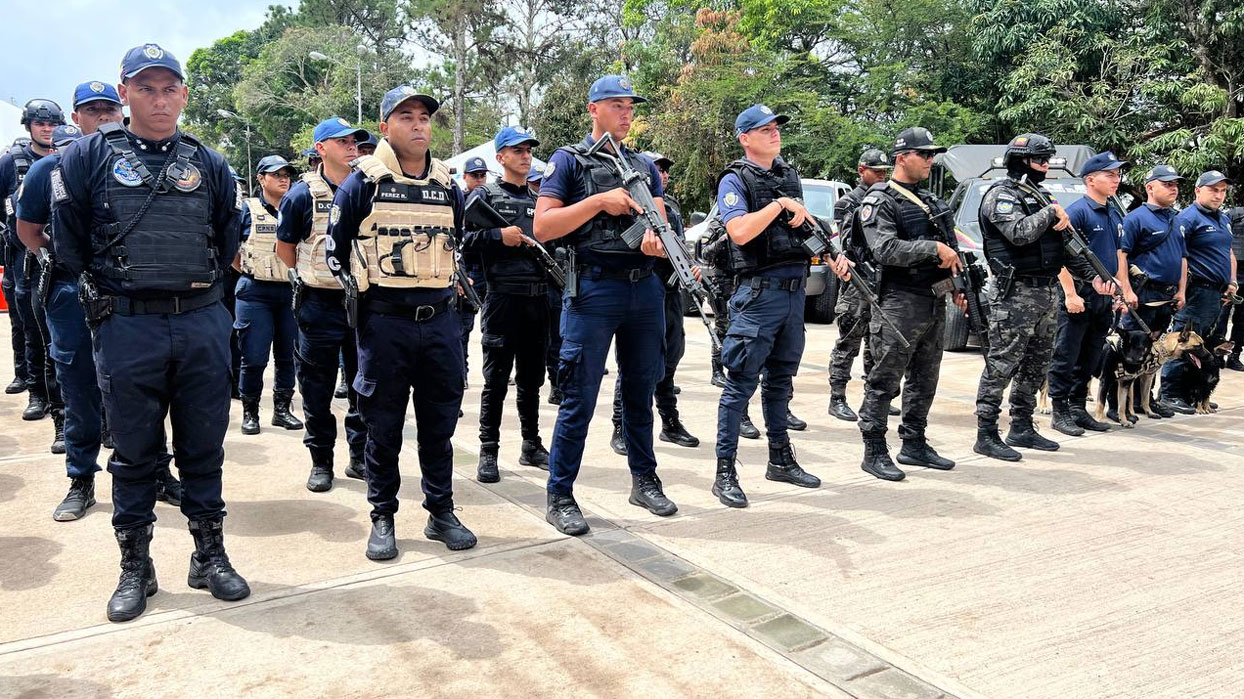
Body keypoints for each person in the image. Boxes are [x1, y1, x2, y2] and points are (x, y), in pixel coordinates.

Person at [52, 44, 249, 622]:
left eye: (169, 89)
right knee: (135, 454)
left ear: (184, 95)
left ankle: (208, 555)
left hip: (201, 322)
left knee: (204, 447)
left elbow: (227, 236)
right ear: (124, 94)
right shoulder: (85, 157)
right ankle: (136, 565)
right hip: (127, 326)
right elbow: (67, 241)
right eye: (145, 88)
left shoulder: (209, 162)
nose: (159, 100)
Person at [327, 85, 477, 558]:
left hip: (440, 325)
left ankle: (441, 512)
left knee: (439, 425)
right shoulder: (362, 183)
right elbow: (335, 250)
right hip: (385, 324)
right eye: (406, 116)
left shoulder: (448, 184)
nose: (418, 125)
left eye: (424, 118)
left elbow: (459, 243)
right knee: (384, 426)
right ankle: (383, 516)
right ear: (386, 124)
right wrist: (362, 293)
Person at [534, 75, 676, 534]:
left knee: (641, 389)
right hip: (593, 289)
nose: (626, 111)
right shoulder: (568, 162)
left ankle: (644, 479)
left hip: (644, 289)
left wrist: (659, 241)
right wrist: (598, 201)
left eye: (630, 105)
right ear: (593, 109)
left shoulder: (644, 165)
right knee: (579, 395)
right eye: (616, 104)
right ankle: (560, 495)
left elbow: (660, 220)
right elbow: (544, 227)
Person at [710, 104, 822, 508]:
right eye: (764, 129)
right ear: (745, 137)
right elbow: (738, 231)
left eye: (776, 127)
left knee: (781, 383)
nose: (774, 133)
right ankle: (725, 471)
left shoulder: (787, 175)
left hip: (794, 293)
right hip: (758, 294)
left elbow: (802, 228)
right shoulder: (734, 179)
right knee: (739, 383)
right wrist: (779, 206)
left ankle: (780, 459)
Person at [972, 133, 1099, 462]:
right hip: (1014, 293)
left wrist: (1097, 277)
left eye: (1047, 160)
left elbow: (1066, 250)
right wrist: (1051, 213)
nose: (1045, 166)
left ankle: (1022, 426)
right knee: (1002, 365)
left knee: (1036, 365)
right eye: (1040, 160)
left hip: (1046, 292)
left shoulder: (1041, 196)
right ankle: (986, 433)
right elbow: (1018, 232)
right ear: (1020, 161)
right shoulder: (1000, 195)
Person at [852, 127, 963, 481]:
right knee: (884, 379)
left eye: (933, 155)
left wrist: (958, 285)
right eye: (924, 155)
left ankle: (914, 443)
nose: (931, 161)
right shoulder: (880, 200)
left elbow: (953, 251)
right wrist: (932, 250)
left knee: (925, 378)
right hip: (898, 302)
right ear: (902, 157)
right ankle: (874, 449)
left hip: (933, 299)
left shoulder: (931, 202)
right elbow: (883, 249)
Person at [276, 117, 369, 492]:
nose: (351, 147)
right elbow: (286, 251)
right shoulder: (302, 195)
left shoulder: (368, 188)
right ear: (321, 149)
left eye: (355, 142)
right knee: (317, 388)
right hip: (319, 304)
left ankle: (359, 456)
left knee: (364, 387)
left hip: (362, 304)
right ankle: (322, 461)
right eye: (342, 141)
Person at [464, 126, 552, 482]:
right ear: (500, 157)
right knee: (496, 379)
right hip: (502, 298)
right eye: (517, 150)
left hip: (538, 298)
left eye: (528, 149)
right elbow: (463, 241)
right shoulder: (484, 196)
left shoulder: (540, 200)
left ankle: (531, 444)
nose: (525, 155)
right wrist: (497, 236)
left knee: (532, 378)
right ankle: (489, 450)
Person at [607, 151, 698, 455]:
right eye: (657, 169)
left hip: (670, 290)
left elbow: (679, 244)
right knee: (636, 363)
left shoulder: (670, 206)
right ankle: (620, 426)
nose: (663, 174)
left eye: (665, 170)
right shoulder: (630, 204)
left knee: (671, 357)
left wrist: (690, 265)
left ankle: (669, 422)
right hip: (645, 287)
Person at [1046, 152, 1126, 435]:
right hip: (1079, 295)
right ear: (1091, 180)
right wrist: (1069, 293)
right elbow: (1060, 257)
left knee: (1091, 356)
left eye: (1118, 175)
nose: (1116, 180)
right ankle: (1060, 411)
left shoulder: (1113, 211)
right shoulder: (1077, 212)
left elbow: (1118, 255)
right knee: (1066, 355)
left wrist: (1120, 290)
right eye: (1110, 175)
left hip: (1103, 296)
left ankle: (1079, 408)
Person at [234, 155, 304, 435]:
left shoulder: (297, 206)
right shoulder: (248, 209)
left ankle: (282, 410)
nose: (284, 178)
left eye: (287, 174)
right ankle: (250, 412)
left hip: (289, 292)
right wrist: (250, 270)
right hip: (255, 292)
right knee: (253, 357)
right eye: (276, 174)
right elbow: (231, 250)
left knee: (288, 356)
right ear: (261, 179)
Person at [2, 99, 63, 419]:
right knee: (30, 327)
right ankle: (36, 392)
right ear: (28, 126)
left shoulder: (70, 156)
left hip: (60, 257)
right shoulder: (11, 161)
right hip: (24, 257)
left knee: (61, 334)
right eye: (40, 123)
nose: (47, 129)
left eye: (52, 123)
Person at [1160, 171, 1237, 411]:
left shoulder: (1223, 219)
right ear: (1197, 190)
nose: (1219, 195)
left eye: (1223, 190)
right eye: (1213, 190)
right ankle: (1170, 394)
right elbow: (1177, 255)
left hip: (1217, 293)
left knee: (1201, 346)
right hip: (1196, 291)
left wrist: (1232, 282)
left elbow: (1228, 252)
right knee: (1183, 342)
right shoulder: (1187, 218)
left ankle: (1191, 392)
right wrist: (1181, 290)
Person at [1116, 165, 1186, 419]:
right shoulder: (1136, 218)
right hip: (1142, 295)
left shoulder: (1175, 219)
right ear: (1150, 187)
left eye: (1175, 184)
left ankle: (1145, 400)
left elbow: (1182, 258)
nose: (1173, 188)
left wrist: (1181, 290)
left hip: (1167, 297)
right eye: (1167, 184)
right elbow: (1121, 254)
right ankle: (1118, 406)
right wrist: (1125, 289)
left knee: (1154, 353)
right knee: (1131, 351)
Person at [828, 147, 891, 422]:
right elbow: (847, 243)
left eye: (884, 173)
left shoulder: (887, 199)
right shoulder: (849, 202)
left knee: (876, 342)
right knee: (848, 341)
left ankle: (872, 394)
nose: (881, 177)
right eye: (876, 172)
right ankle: (837, 397)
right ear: (861, 171)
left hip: (882, 280)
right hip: (857, 281)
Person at [458, 155, 490, 387]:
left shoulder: (490, 198)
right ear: (465, 177)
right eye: (475, 176)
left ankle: (493, 369)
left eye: (482, 175)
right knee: (463, 327)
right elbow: (458, 239)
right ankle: (462, 372)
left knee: (491, 327)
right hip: (468, 269)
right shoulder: (459, 200)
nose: (479, 180)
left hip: (489, 269)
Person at [1224, 203, 1244, 371]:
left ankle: (1234, 354)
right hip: (1231, 271)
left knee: (1242, 320)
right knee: (1221, 316)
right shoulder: (1235, 213)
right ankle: (1216, 352)